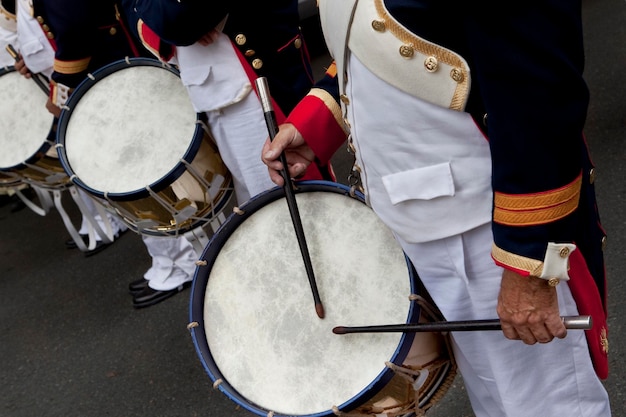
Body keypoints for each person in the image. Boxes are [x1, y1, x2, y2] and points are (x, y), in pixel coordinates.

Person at [262, 1, 611, 416]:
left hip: (489, 229)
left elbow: (536, 91)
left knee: (544, 405)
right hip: (419, 221)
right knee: (496, 403)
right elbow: (364, 34)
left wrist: (528, 260)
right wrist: (318, 122)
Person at [120, 0, 334, 307]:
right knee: (261, 212)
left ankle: (326, 297)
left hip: (251, 78)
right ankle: (298, 296)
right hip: (215, 85)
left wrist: (172, 19)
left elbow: (181, 20)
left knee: (294, 209)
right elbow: (142, 16)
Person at [30, 0, 197, 307]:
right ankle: (170, 260)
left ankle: (181, 261)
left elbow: (74, 27)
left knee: (136, 173)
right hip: (105, 69)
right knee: (132, 173)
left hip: (101, 71)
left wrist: (60, 86)